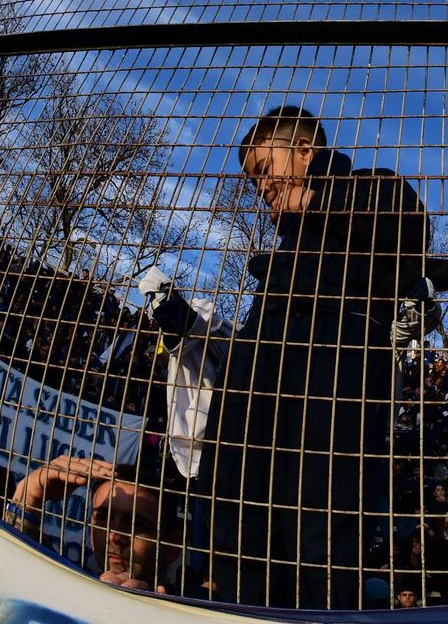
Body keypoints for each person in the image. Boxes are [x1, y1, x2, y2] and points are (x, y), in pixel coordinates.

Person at [146, 105, 430, 609]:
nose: (260, 187)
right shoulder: (286, 242)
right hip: (263, 362)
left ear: (304, 150)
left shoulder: (370, 186)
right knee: (234, 512)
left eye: (262, 169)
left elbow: (411, 223)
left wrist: (316, 198)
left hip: (338, 357)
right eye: (253, 179)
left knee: (321, 521)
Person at [4, 455, 179, 593]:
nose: (114, 536)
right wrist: (30, 492)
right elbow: (7, 569)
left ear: (172, 548)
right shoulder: (65, 590)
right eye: (103, 518)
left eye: (136, 524)